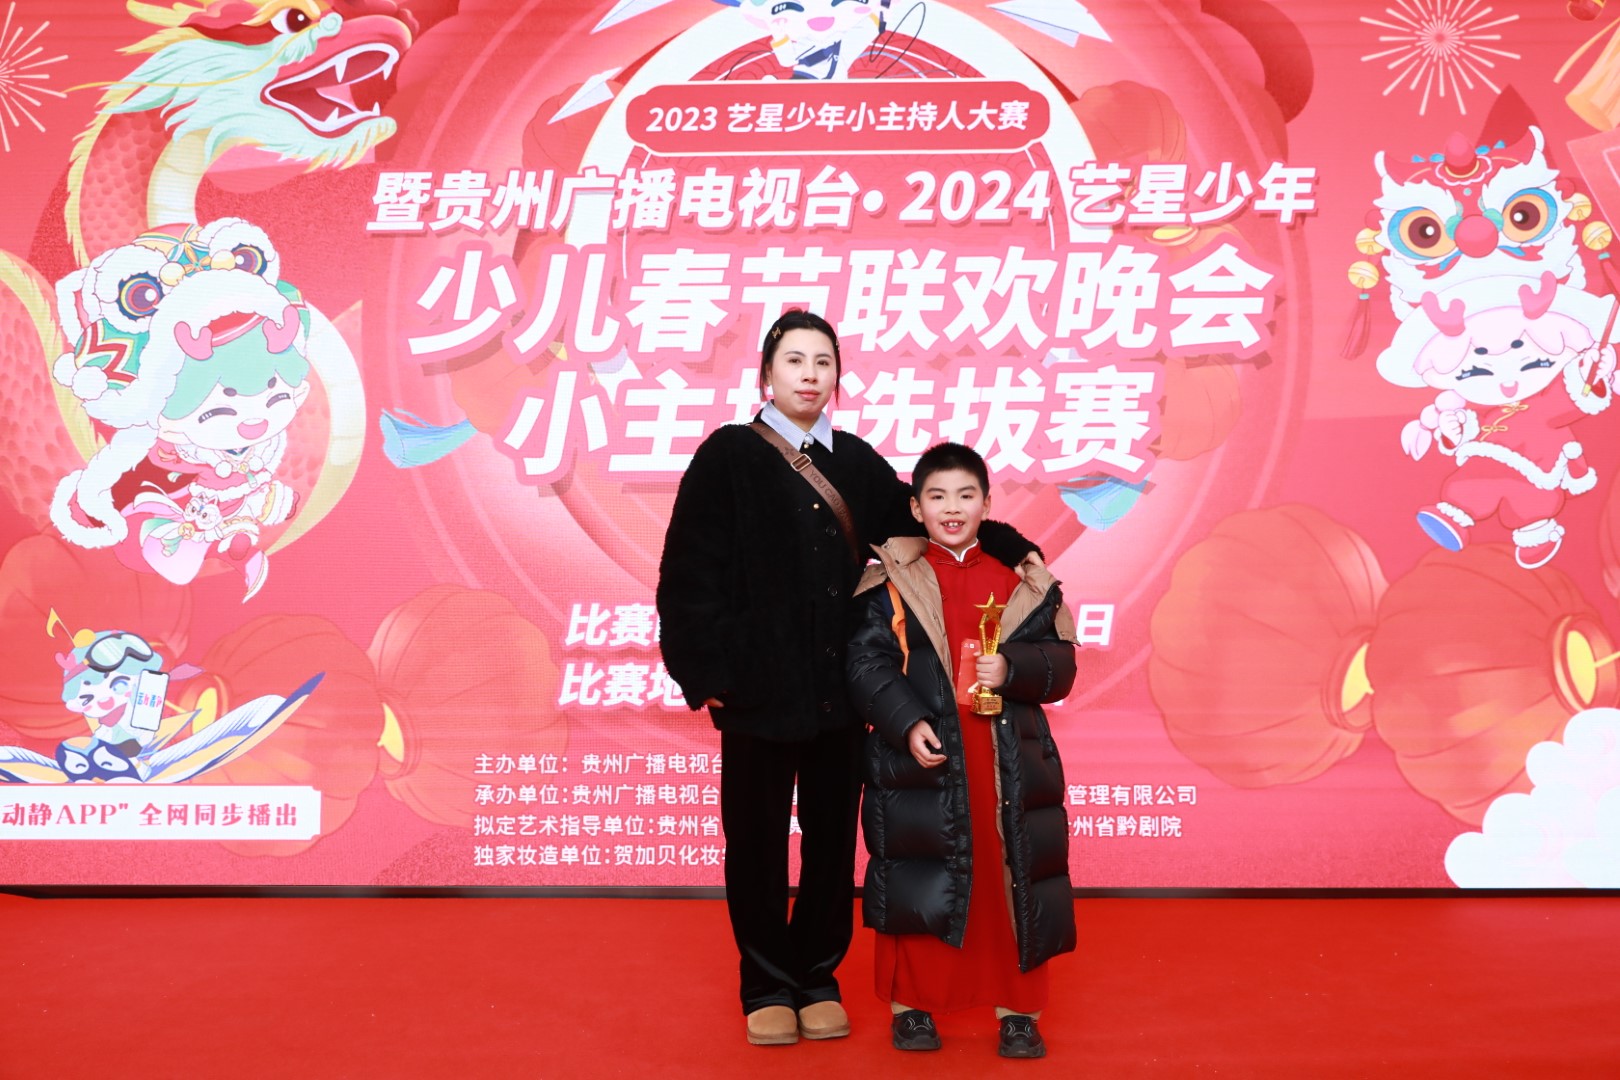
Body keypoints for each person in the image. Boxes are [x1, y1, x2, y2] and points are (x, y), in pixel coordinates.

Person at [656, 311, 1037, 1047]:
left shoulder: (854, 462)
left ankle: (817, 977)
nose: (809, 374)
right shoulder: (727, 455)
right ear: (766, 374)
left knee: (833, 845)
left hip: (839, 693)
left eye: (823, 362)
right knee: (757, 843)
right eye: (794, 360)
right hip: (756, 692)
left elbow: (928, 519)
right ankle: (767, 983)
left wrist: (1014, 545)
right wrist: (707, 672)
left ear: (837, 376)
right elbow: (688, 573)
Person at [847, 441, 1077, 1059]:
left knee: (1012, 877)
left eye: (965, 495)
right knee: (921, 874)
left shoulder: (1024, 578)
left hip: (1007, 757)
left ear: (986, 503)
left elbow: (1062, 666)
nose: (952, 508)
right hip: (922, 754)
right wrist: (906, 723)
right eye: (938, 496)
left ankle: (1019, 1012)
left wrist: (1015, 668)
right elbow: (866, 663)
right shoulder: (890, 578)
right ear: (916, 508)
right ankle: (912, 1007)